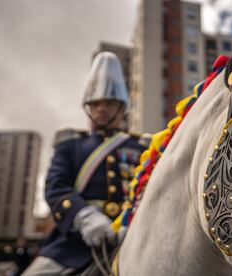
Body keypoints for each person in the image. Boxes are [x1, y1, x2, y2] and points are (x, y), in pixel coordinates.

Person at [23, 52, 149, 275]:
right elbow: (56, 187)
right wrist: (84, 217)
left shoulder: (143, 146)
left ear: (122, 107)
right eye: (95, 103)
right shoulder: (69, 144)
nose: (101, 109)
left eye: (109, 103)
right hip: (74, 244)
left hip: (136, 236)